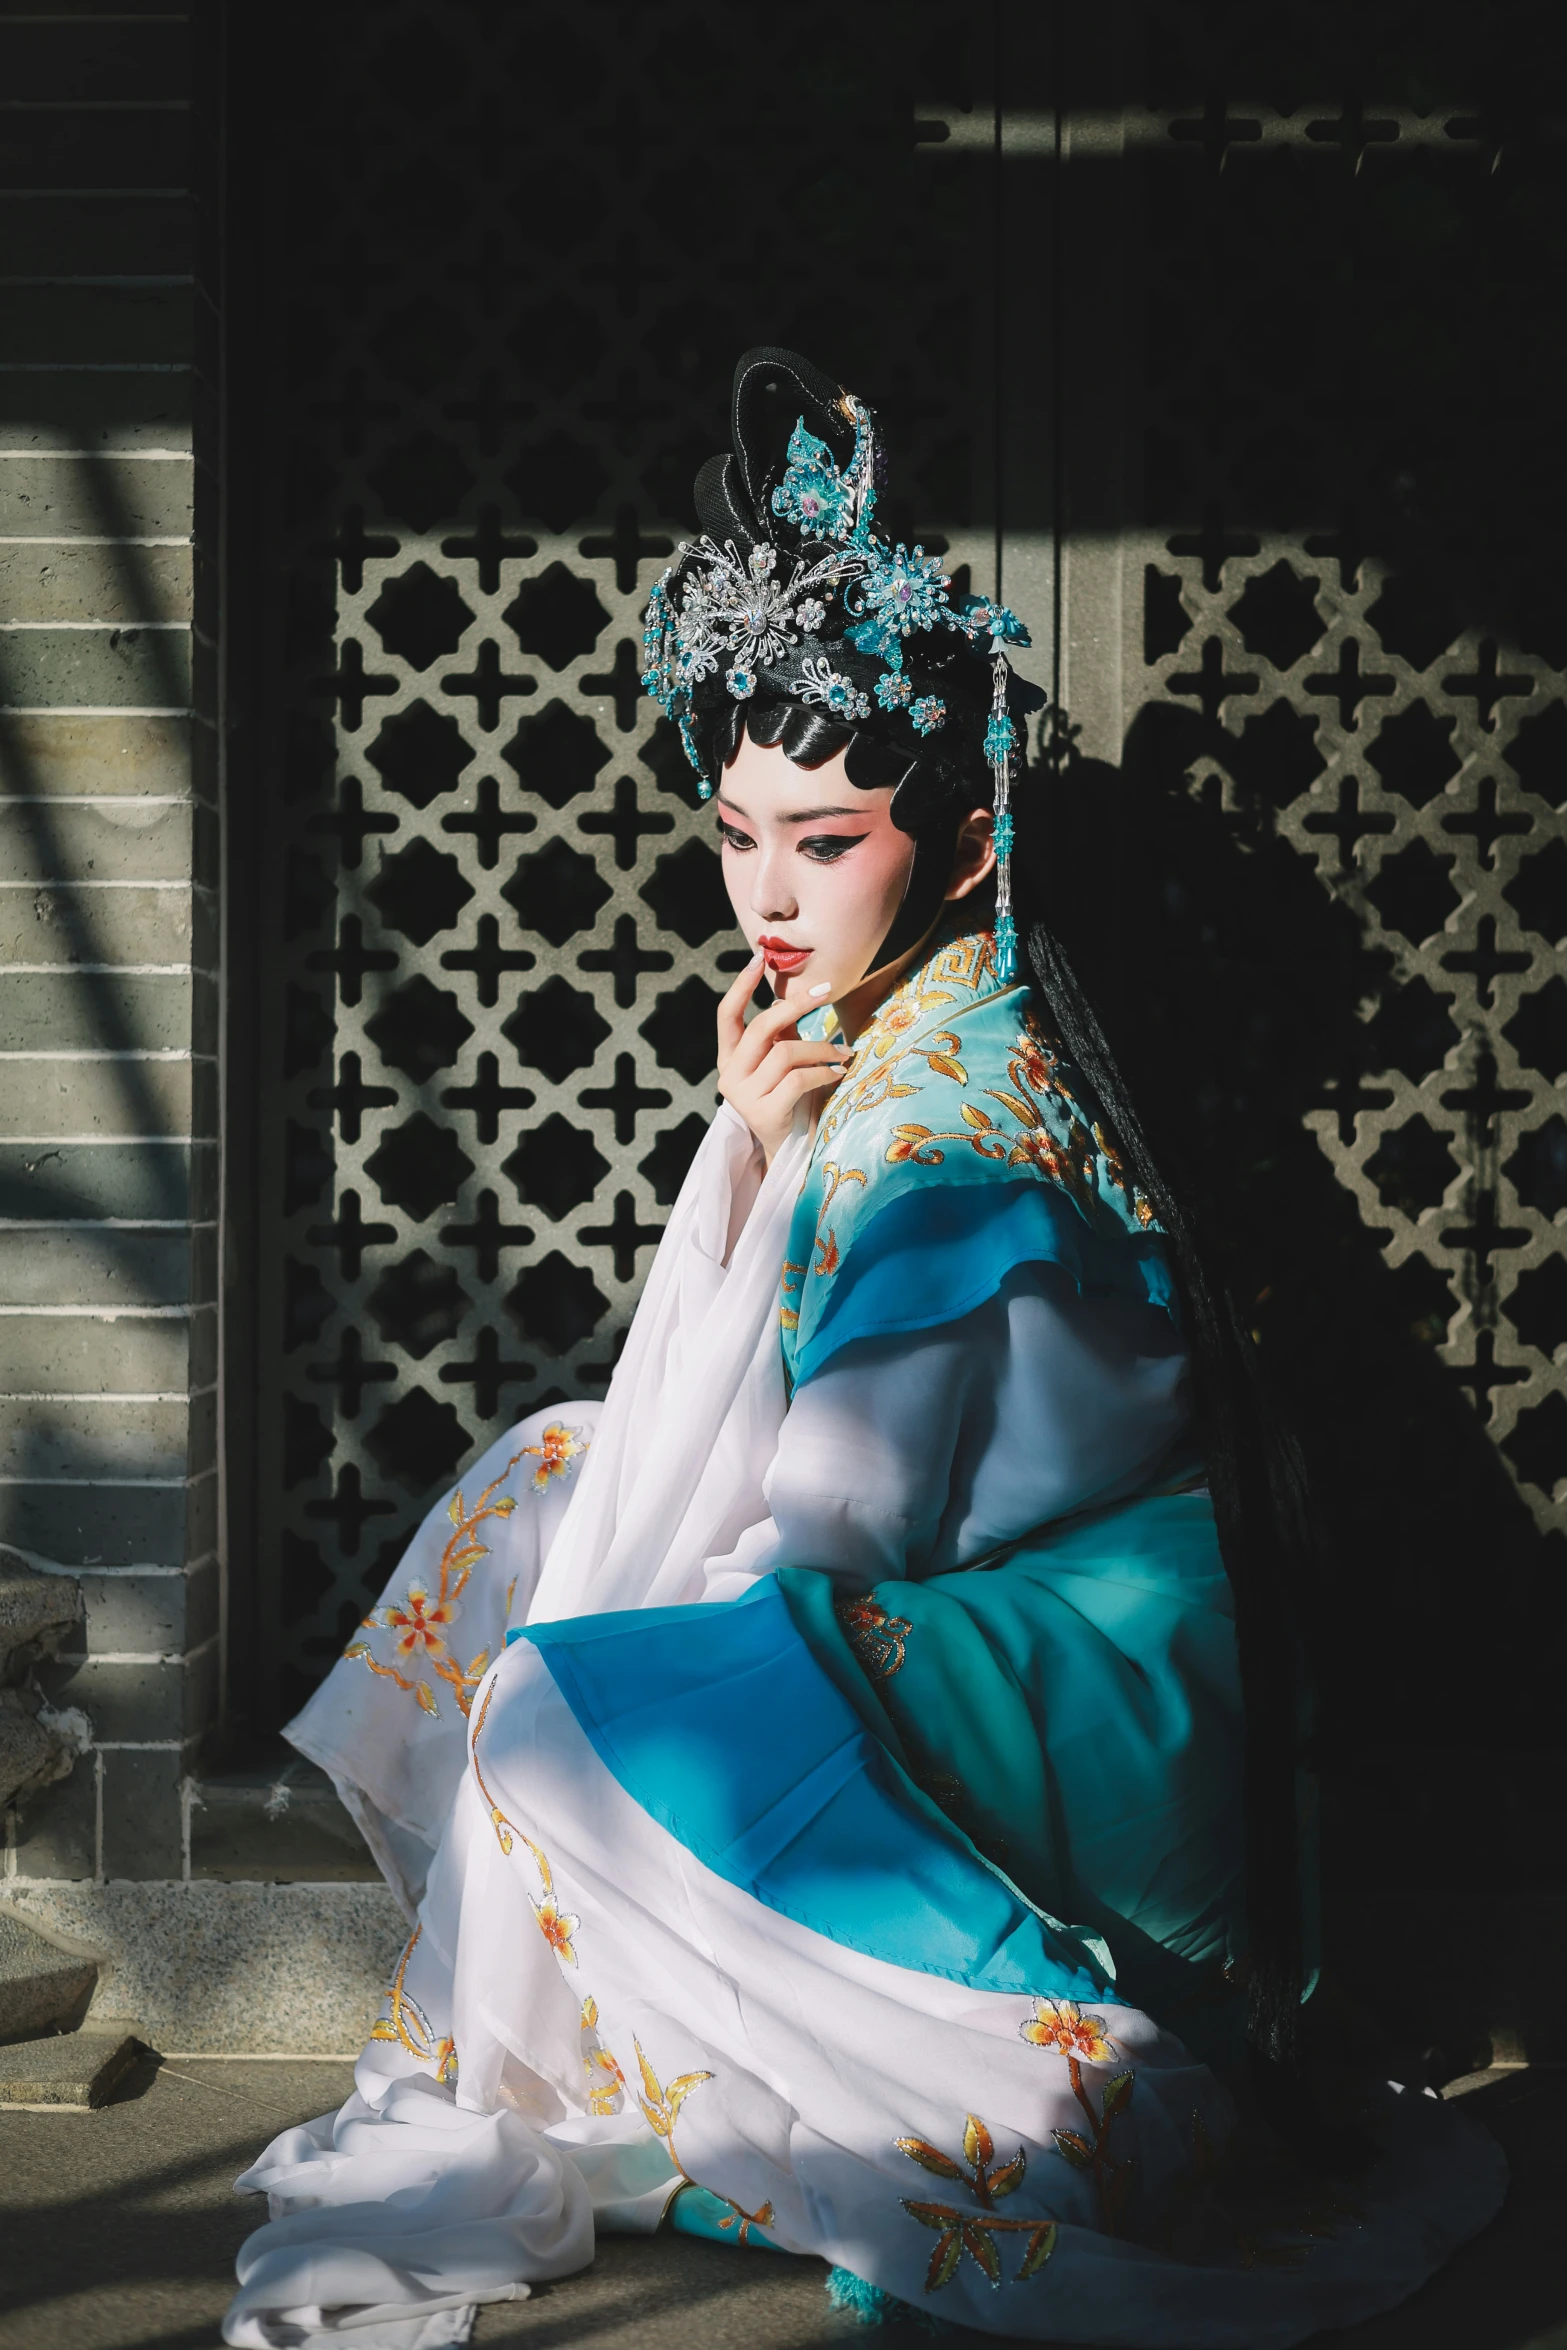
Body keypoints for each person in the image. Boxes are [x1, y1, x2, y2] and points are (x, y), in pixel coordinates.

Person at [225, 351, 1502, 2350]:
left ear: (967, 839)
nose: (761, 894)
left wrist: (650, 1603)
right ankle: (657, 2043)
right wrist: (752, 1136)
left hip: (1084, 1669)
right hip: (1004, 1594)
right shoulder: (897, 1037)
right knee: (553, 1483)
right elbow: (779, 1435)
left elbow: (838, 1526)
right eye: (737, 832)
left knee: (564, 1702)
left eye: (822, 840)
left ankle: (1044, 2088)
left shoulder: (948, 1129)